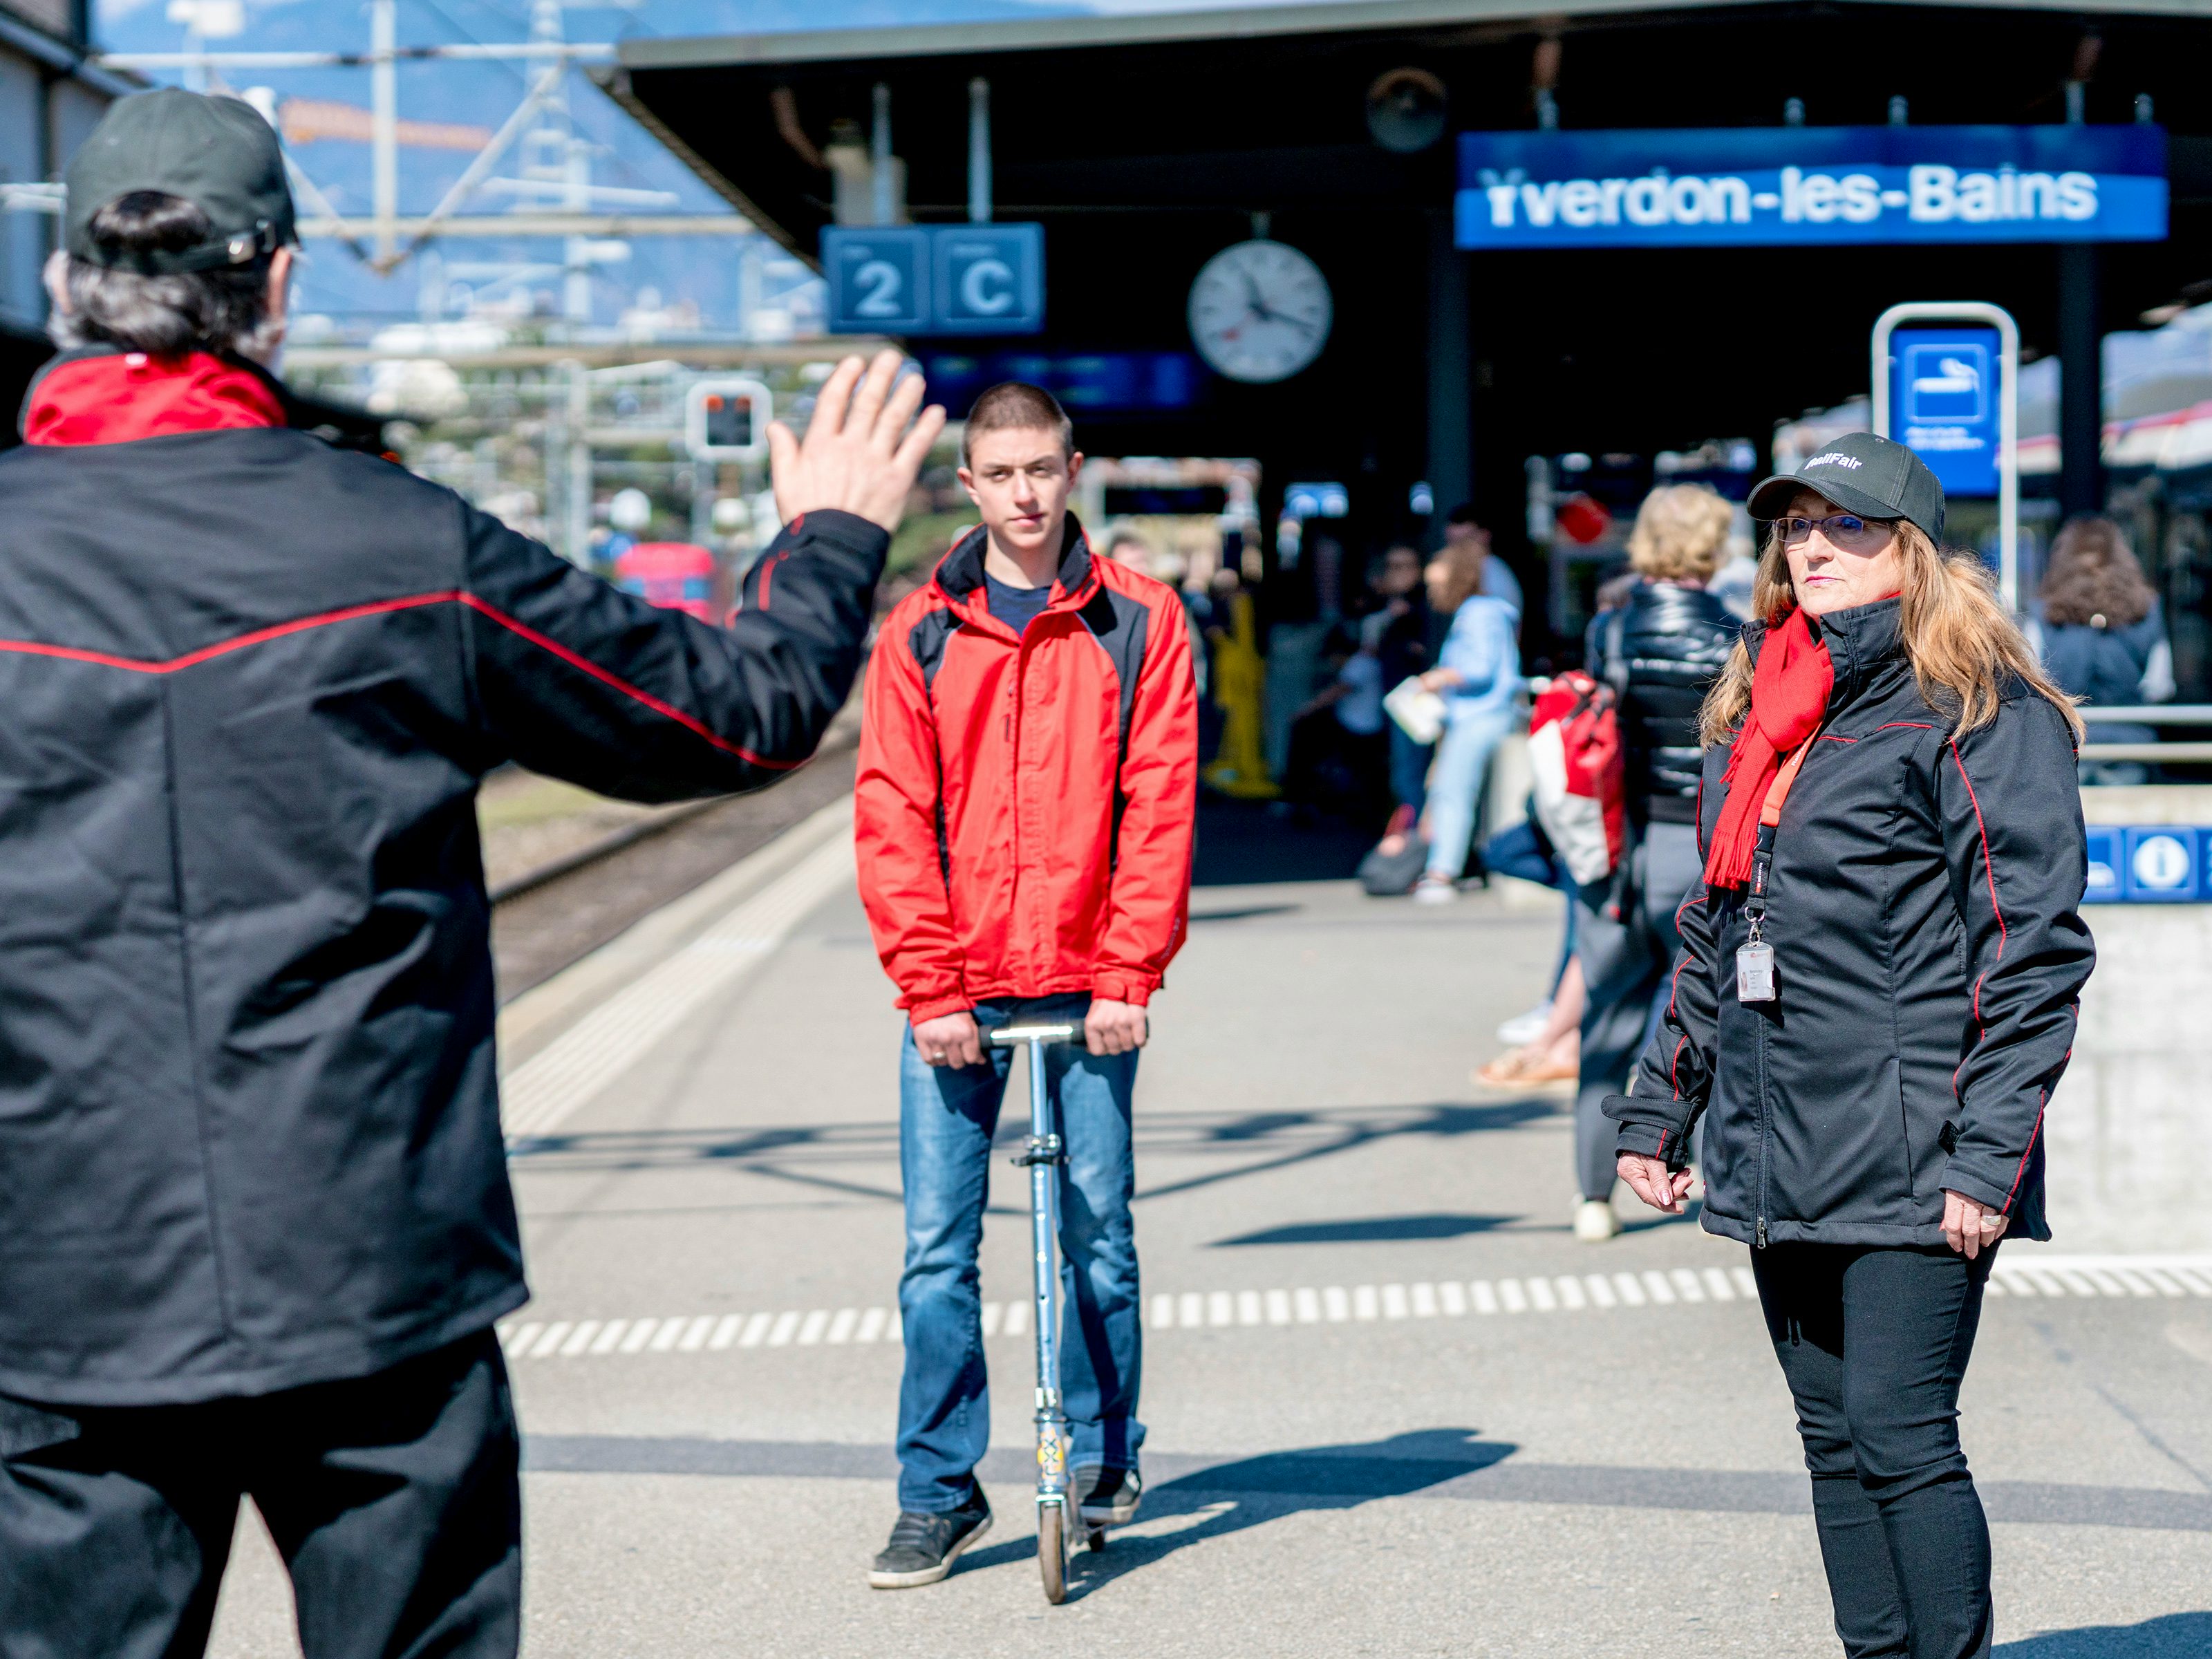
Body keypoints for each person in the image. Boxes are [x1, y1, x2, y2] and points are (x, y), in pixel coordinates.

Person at [0, 91, 942, 1659]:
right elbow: (736, 712)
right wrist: (834, 533)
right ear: (278, 287)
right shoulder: (402, 544)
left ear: (63, 291)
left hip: (60, 1289)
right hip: (374, 1272)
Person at [1609, 433, 2092, 1659]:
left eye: (1848, 525)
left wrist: (1988, 1155)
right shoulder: (1759, 706)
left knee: (1900, 1434)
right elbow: (1714, 931)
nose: (1813, 548)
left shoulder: (1980, 708)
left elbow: (2031, 951)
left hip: (1916, 1142)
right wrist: (1659, 1111)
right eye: (1796, 526)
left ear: (1913, 550)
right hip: (1779, 1135)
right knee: (1831, 1440)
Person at [856, 382, 1198, 1589]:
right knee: (935, 1253)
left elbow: (1160, 804)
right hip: (957, 986)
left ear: (1073, 469)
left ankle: (1103, 1455)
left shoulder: (1139, 618)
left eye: (1041, 470)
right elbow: (893, 813)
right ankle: (939, 1493)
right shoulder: (919, 631)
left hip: (1093, 980)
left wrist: (1128, 972)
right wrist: (930, 988)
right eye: (1000, 475)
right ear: (970, 485)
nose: (1024, 494)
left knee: (1097, 1236)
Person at [1568, 484, 1740, 1242]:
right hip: (1697, 844)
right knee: (1700, 1016)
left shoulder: (1609, 628)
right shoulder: (1735, 634)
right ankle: (1693, 1174)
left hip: (1617, 848)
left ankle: (1591, 1197)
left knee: (1605, 1019)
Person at [1410, 535, 1521, 903]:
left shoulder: (1478, 613)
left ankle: (1442, 872)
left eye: (1436, 585)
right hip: (1484, 714)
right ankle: (1455, 867)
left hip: (1480, 715)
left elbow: (1479, 668)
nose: (1432, 593)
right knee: (1459, 792)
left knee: (1452, 791)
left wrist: (1439, 677)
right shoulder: (1487, 611)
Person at [2026, 516, 2174, 785]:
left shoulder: (2043, 614)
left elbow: (2030, 680)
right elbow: (2159, 686)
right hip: (2131, 748)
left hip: (2065, 748)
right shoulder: (2147, 611)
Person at [1443, 501, 1523, 619]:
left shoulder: (1491, 571)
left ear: (1485, 536)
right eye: (1452, 543)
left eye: (1465, 541)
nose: (1458, 550)